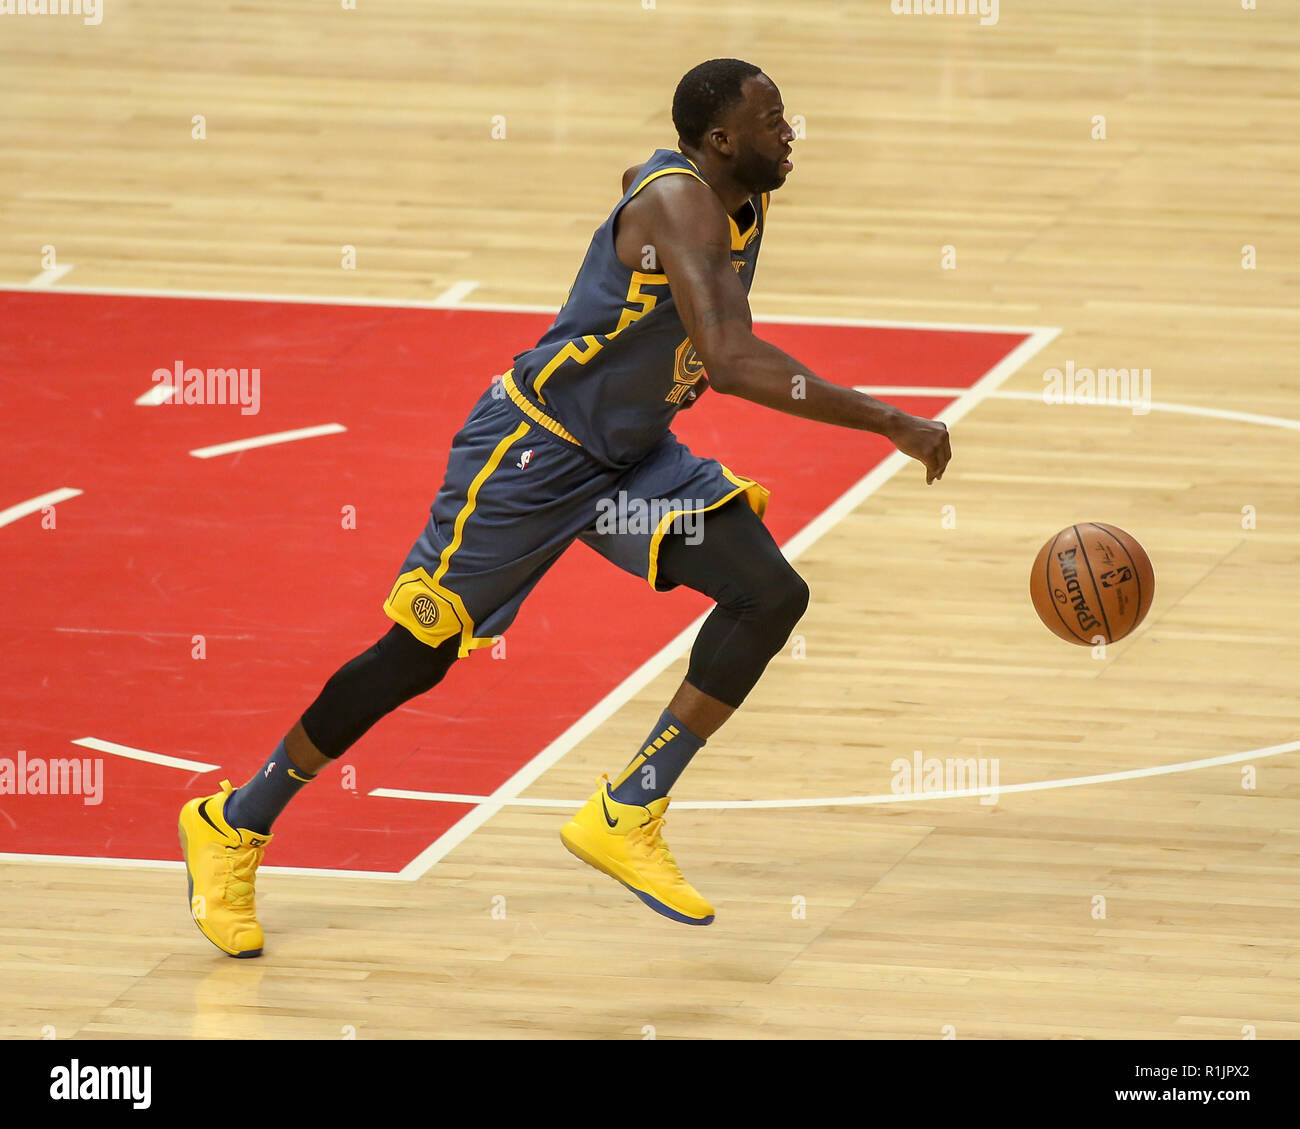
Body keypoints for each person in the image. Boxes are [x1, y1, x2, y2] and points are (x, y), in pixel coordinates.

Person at [179, 57, 950, 956]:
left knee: (769, 593)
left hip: (633, 460)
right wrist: (891, 420)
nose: (791, 132)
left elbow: (637, 186)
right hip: (534, 453)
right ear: (719, 140)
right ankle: (234, 820)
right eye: (773, 118)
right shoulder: (682, 202)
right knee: (415, 657)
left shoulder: (728, 194)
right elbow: (733, 361)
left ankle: (629, 807)